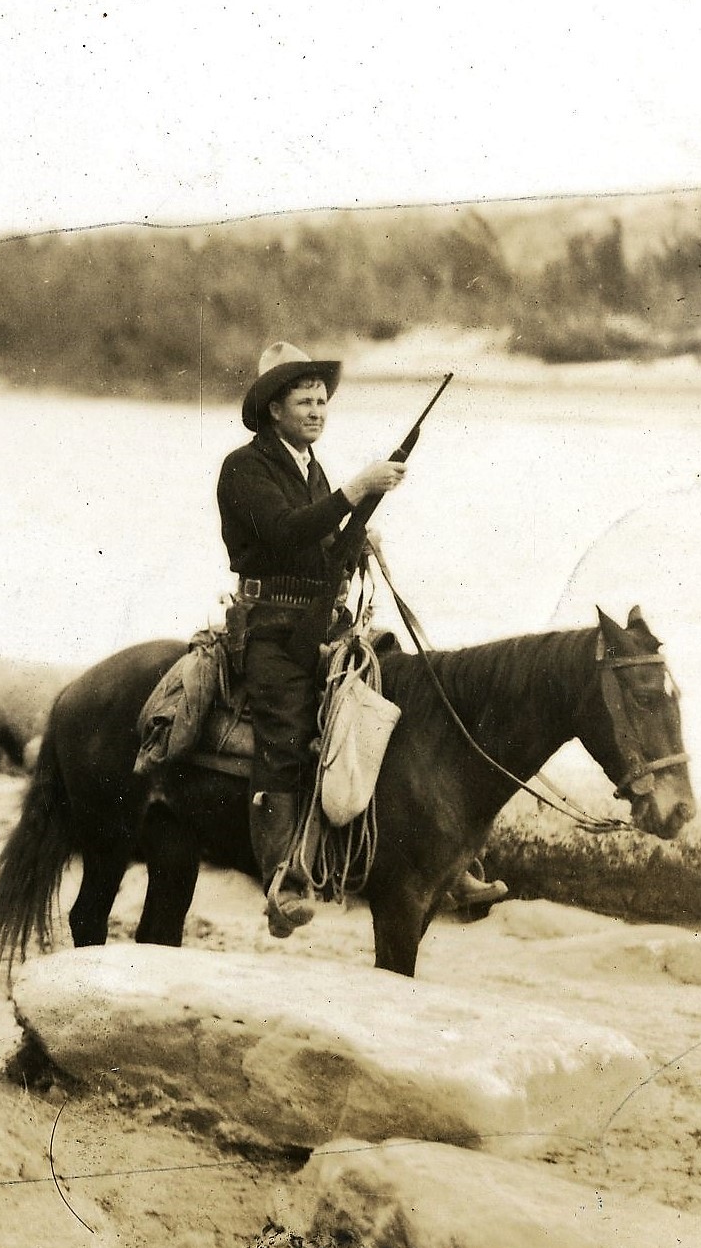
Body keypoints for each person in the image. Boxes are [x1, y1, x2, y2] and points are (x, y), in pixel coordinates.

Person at [216, 342, 506, 935]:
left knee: (402, 697)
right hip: (270, 627)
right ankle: (283, 877)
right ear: (275, 409)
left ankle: (450, 862)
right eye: (305, 399)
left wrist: (357, 540)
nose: (318, 409)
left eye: (322, 400)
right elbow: (285, 533)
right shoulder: (243, 467)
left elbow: (320, 541)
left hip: (322, 623)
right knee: (288, 729)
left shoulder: (308, 466)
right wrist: (354, 492)